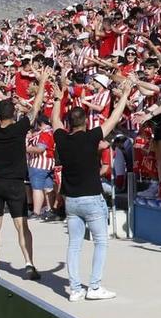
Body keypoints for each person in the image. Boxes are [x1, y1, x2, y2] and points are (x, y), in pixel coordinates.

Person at [49, 79, 131, 300]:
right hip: (92, 198)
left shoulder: (62, 139)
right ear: (86, 122)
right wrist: (124, 95)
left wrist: (58, 99)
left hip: (72, 201)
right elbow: (113, 119)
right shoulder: (92, 136)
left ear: (69, 123)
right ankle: (94, 287)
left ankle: (75, 289)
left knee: (74, 244)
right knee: (101, 242)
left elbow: (54, 119)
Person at [0, 92, 43, 280]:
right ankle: (29, 263)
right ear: (13, 113)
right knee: (21, 225)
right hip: (15, 183)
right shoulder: (20, 128)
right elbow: (35, 108)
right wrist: (41, 83)